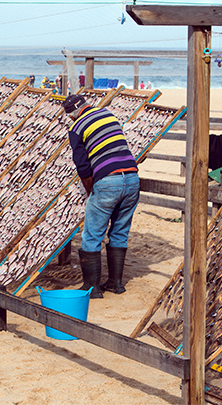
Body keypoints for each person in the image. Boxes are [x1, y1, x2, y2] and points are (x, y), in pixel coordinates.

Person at [62, 94, 140, 299]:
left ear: (72, 114)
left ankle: (92, 287)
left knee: (92, 235)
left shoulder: (76, 128)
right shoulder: (108, 115)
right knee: (120, 232)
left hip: (108, 181)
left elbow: (82, 165)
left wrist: (91, 190)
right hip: (132, 179)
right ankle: (116, 283)